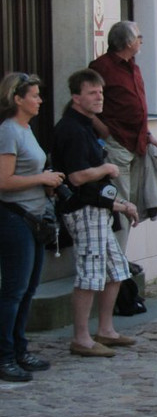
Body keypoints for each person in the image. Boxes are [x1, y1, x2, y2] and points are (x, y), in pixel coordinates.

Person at [52, 69, 141, 358]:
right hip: (83, 211)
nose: (99, 97)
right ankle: (81, 338)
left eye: (100, 92)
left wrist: (121, 204)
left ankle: (106, 330)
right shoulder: (71, 129)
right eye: (92, 92)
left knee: (117, 269)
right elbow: (77, 178)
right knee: (90, 274)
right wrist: (106, 168)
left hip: (99, 208)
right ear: (76, 97)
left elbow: (94, 186)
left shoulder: (87, 126)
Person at [0, 73, 66, 381]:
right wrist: (41, 178)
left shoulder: (27, 130)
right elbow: (4, 181)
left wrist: (48, 183)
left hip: (35, 217)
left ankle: (19, 349)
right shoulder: (8, 131)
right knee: (13, 290)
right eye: (34, 95)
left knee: (28, 289)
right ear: (17, 99)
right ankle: (4, 356)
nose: (40, 100)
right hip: (15, 218)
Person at [88, 20, 157, 250]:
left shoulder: (133, 67)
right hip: (117, 143)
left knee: (131, 206)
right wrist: (102, 128)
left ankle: (120, 258)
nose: (141, 41)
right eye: (138, 37)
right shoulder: (102, 67)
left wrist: (148, 134)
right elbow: (85, 100)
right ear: (127, 42)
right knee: (120, 205)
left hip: (137, 143)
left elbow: (137, 106)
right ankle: (116, 261)